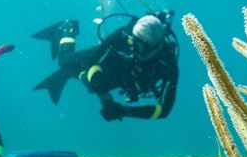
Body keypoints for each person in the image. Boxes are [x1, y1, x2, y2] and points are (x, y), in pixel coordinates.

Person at [32, 11, 179, 121]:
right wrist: (105, 98)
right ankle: (68, 28)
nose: (135, 49)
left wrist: (123, 111)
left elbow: (163, 111)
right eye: (133, 42)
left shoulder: (168, 65)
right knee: (64, 62)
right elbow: (93, 61)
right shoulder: (123, 35)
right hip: (109, 61)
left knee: (91, 86)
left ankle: (73, 75)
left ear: (156, 46)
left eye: (142, 46)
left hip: (125, 75)